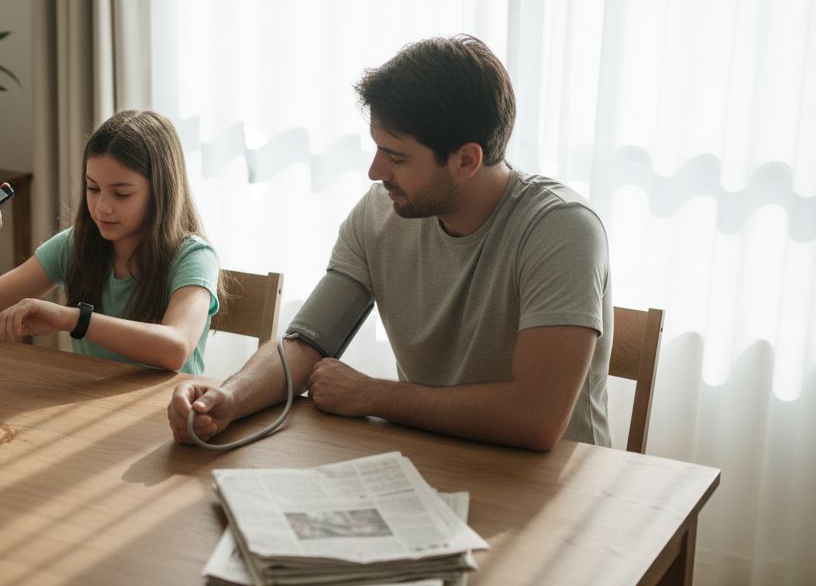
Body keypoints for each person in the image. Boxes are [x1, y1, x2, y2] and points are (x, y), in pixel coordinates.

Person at [169, 35, 612, 452]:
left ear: (466, 160)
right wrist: (228, 398)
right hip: (432, 459)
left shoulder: (562, 230)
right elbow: (307, 345)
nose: (375, 171)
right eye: (377, 148)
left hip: (556, 493)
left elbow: (535, 417)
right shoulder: (381, 213)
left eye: (396, 157)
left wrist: (372, 395)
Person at [0, 109, 222, 374]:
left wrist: (72, 319)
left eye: (121, 193)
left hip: (165, 412)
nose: (102, 207)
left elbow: (175, 348)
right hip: (86, 406)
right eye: (93, 188)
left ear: (160, 192)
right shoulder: (75, 245)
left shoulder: (193, 257)